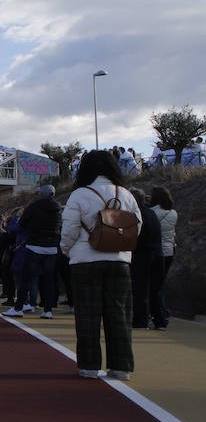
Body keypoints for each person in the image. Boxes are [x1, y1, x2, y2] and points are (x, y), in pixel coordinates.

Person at [60, 150, 141, 380]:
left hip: (85, 259)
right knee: (120, 314)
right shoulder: (126, 194)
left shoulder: (79, 195)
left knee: (87, 314)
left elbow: (70, 229)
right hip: (119, 261)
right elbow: (137, 225)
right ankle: (121, 366)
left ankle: (89, 366)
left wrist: (69, 251)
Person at [16, 184, 62, 319]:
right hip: (52, 247)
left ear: (42, 194)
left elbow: (22, 223)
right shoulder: (58, 208)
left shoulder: (34, 206)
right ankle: (48, 310)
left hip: (35, 245)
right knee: (49, 280)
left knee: (26, 278)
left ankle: (18, 307)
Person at [128, 189, 163, 330]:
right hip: (158, 252)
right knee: (157, 289)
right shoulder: (152, 213)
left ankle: (141, 319)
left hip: (143, 254)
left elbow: (135, 236)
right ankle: (160, 319)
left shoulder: (136, 215)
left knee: (140, 288)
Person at [149, 187, 177, 329]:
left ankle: (156, 314)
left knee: (152, 286)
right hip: (169, 251)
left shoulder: (152, 213)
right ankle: (162, 312)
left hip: (156, 252)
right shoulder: (173, 213)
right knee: (160, 285)